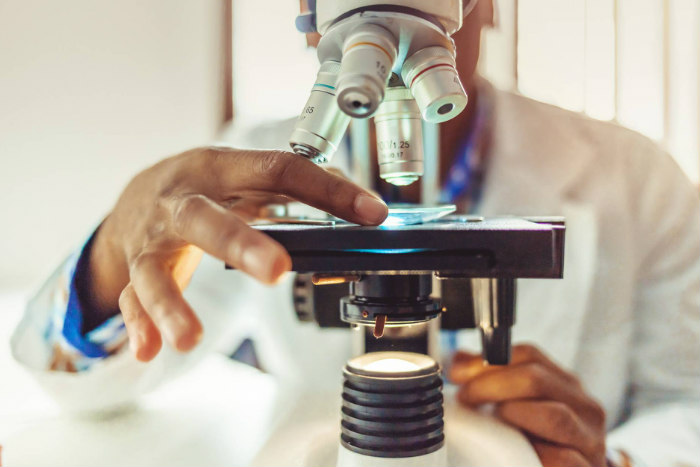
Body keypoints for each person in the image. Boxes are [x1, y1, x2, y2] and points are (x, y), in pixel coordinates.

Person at [11, 1, 700, 466]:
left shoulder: (638, 178)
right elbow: (78, 387)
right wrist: (112, 255)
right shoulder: (247, 164)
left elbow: (689, 403)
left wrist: (619, 460)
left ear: (483, 4)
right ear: (314, 22)